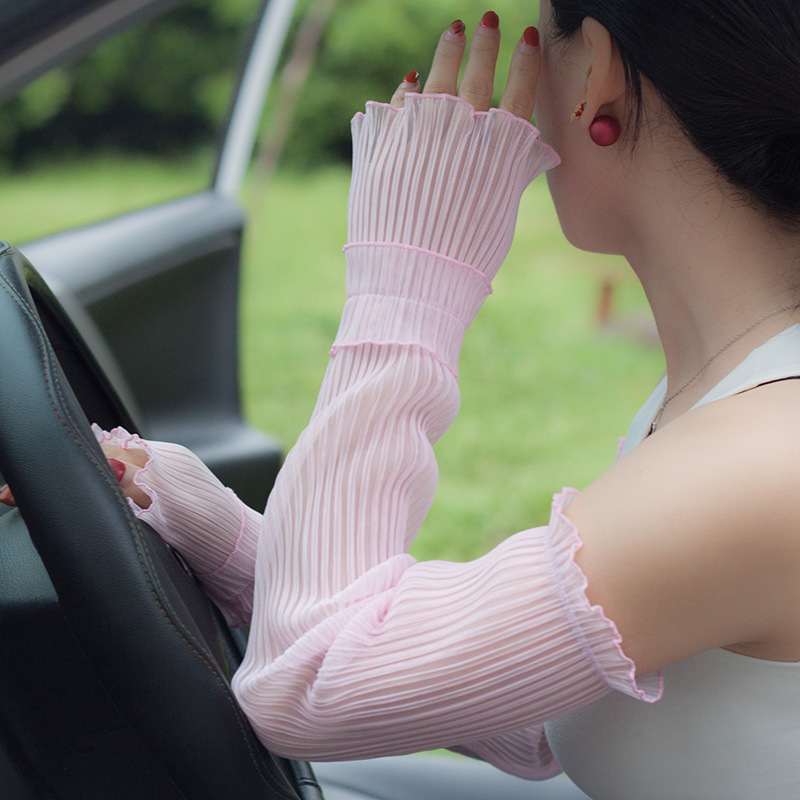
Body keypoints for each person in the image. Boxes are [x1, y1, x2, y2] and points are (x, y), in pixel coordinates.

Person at [10, 2, 800, 796]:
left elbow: (308, 683)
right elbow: (542, 716)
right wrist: (220, 537)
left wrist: (409, 286)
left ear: (595, 72)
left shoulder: (764, 461)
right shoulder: (731, 403)